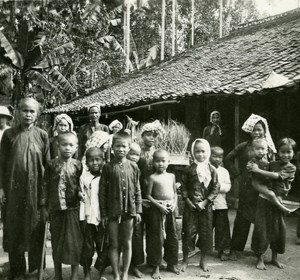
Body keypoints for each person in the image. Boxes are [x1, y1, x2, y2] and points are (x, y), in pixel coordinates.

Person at [0, 98, 50, 279]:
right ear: (17, 113)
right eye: (24, 111)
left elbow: (48, 167)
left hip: (36, 192)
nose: (28, 115)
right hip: (13, 191)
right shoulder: (8, 135)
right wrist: (1, 189)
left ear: (37, 115)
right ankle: (17, 269)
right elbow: (2, 164)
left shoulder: (42, 135)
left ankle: (36, 269)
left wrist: (46, 196)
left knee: (36, 227)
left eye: (32, 111)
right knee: (14, 229)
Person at [224, 113, 276, 261]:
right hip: (247, 186)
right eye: (254, 129)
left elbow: (273, 167)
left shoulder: (269, 148)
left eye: (260, 129)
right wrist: (236, 175)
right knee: (242, 217)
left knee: (261, 218)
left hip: (263, 188)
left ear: (264, 130)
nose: (257, 132)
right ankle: (236, 249)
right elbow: (228, 158)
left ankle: (259, 250)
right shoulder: (244, 146)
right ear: (249, 131)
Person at [99, 130, 142, 280]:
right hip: (112, 212)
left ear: (129, 147)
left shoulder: (133, 167)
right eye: (118, 146)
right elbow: (102, 192)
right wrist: (104, 213)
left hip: (129, 211)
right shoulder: (107, 167)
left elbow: (137, 189)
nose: (121, 149)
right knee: (114, 244)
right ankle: (116, 274)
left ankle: (124, 274)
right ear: (112, 147)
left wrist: (138, 210)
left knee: (127, 243)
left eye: (124, 146)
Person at [249, 138, 297, 270]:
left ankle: (274, 258)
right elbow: (262, 171)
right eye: (282, 151)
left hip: (279, 201)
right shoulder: (272, 163)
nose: (285, 155)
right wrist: (252, 166)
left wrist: (258, 170)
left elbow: (276, 176)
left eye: (289, 152)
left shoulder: (291, 167)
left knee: (278, 229)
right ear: (277, 151)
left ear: (294, 153)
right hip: (265, 199)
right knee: (262, 228)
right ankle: (259, 258)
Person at [41, 132, 83, 280]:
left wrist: (80, 193)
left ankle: (74, 276)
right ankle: (58, 275)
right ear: (58, 146)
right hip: (56, 210)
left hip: (73, 210)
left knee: (74, 243)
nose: (67, 148)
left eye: (71, 145)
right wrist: (45, 207)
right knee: (57, 242)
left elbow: (79, 185)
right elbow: (45, 185)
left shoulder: (78, 165)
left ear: (76, 147)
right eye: (64, 144)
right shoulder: (51, 164)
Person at [181, 139, 220, 272]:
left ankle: (203, 260)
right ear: (193, 152)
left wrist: (205, 202)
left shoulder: (212, 170)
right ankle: (185, 260)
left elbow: (215, 188)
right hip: (191, 208)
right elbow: (184, 187)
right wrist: (188, 202)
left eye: (203, 151)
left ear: (208, 152)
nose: (200, 154)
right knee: (188, 233)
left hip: (206, 208)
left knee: (205, 234)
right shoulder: (188, 169)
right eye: (197, 151)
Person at [146, 149, 179, 279]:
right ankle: (156, 266)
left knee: (173, 236)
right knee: (156, 238)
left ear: (168, 162)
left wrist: (174, 204)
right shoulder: (152, 177)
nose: (160, 164)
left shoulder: (171, 176)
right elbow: (148, 195)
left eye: (163, 161)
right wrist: (159, 206)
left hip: (170, 209)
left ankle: (172, 263)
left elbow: (175, 193)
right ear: (153, 162)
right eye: (157, 161)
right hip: (157, 210)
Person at [80, 147, 109, 280]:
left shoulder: (106, 176)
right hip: (87, 215)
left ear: (103, 160)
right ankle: (87, 272)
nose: (95, 163)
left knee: (102, 245)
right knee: (87, 246)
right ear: (86, 162)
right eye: (91, 160)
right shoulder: (83, 177)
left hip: (102, 216)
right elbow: (81, 196)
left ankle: (101, 271)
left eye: (98, 159)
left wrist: (106, 215)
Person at [247, 138, 290, 213]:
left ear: (266, 150)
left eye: (262, 149)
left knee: (274, 192)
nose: (260, 151)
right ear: (254, 150)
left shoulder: (267, 161)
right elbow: (250, 169)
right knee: (271, 194)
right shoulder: (253, 160)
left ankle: (277, 203)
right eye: (257, 149)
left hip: (265, 181)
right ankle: (281, 207)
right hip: (257, 182)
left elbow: (270, 168)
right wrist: (249, 167)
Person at [210, 146, 231, 261]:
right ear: (210, 155)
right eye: (214, 156)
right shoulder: (206, 169)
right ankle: (204, 248)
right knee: (206, 227)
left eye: (220, 156)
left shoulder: (224, 171)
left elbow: (228, 186)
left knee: (221, 228)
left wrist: (218, 187)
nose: (217, 159)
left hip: (220, 204)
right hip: (208, 204)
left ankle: (221, 250)